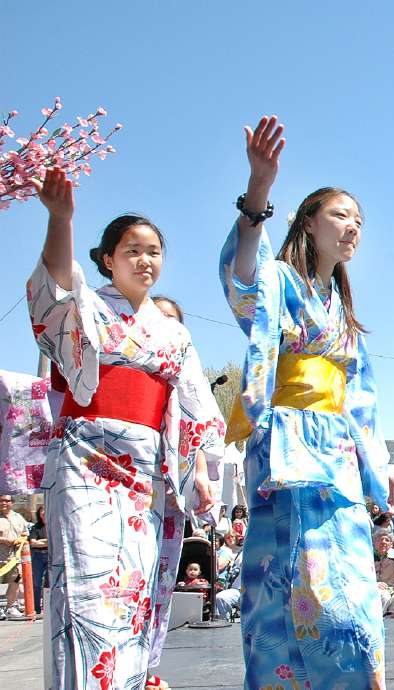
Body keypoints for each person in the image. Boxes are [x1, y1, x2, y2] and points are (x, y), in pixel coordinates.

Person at [221, 116, 394, 689]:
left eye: (359, 219)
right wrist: (259, 189)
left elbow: (362, 401)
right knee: (283, 580)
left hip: (338, 451)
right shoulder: (279, 282)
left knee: (345, 595)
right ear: (308, 221)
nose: (353, 227)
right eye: (340, 215)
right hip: (285, 445)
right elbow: (242, 276)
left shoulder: (343, 318)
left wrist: (381, 464)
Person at [29, 169, 224, 689]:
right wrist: (61, 218)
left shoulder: (174, 334)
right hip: (86, 462)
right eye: (132, 250)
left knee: (136, 584)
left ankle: (132, 680)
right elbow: (53, 283)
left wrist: (199, 474)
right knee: (88, 586)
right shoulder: (89, 306)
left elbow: (185, 413)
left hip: (145, 473)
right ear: (108, 259)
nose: (145, 260)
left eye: (154, 251)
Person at [0, 495, 30, 619]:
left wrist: (21, 539)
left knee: (16, 582)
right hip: (1, 558)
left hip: (15, 559)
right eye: (1, 501)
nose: (4, 503)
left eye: (7, 501)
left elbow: (26, 533)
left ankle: (10, 607)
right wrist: (4, 540)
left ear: (12, 502)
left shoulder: (19, 518)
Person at [27, 505, 48, 616]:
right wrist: (46, 541)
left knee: (49, 582)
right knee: (37, 583)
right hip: (38, 556)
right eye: (42, 511)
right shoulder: (36, 527)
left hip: (50, 555)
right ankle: (36, 607)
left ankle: (47, 606)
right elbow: (33, 542)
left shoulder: (53, 526)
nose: (44, 513)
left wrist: (42, 542)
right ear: (39, 514)